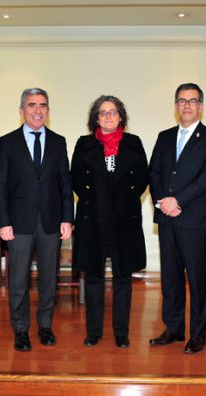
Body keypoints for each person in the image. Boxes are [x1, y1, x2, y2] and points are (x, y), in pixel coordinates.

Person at [0, 88, 73, 351]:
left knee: (50, 278)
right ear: (21, 111)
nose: (37, 110)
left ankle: (45, 326)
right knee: (18, 280)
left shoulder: (59, 142)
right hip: (18, 223)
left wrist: (67, 218)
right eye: (32, 105)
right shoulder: (7, 142)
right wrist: (3, 221)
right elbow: (1, 185)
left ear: (48, 111)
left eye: (42, 105)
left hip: (51, 222)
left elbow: (65, 183)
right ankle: (20, 330)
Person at [149, 83, 206, 354]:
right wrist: (163, 202)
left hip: (194, 219)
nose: (187, 105)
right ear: (176, 105)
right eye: (182, 101)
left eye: (192, 101)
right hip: (167, 218)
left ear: (201, 106)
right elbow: (153, 172)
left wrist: (178, 200)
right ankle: (174, 329)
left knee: (198, 279)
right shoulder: (164, 136)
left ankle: (198, 335)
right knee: (170, 278)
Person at [71, 95, 148, 349]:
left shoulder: (133, 143)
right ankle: (93, 332)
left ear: (120, 117)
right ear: (96, 117)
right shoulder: (84, 144)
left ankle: (121, 333)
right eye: (102, 112)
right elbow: (75, 180)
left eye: (112, 112)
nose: (107, 116)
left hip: (124, 222)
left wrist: (123, 200)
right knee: (93, 278)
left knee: (122, 279)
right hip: (92, 221)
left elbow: (143, 179)